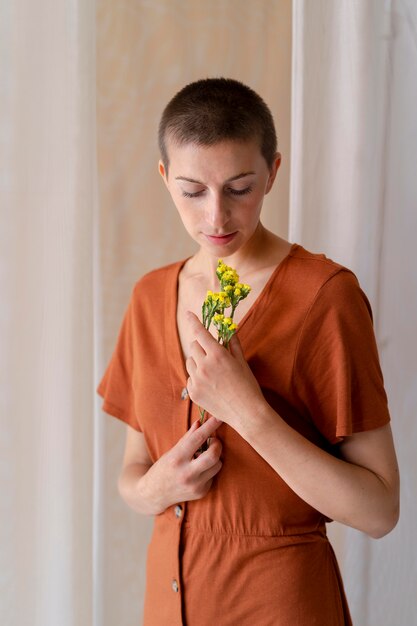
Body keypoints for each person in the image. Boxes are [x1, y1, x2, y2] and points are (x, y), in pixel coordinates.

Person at [96, 77, 400, 626]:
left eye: (239, 188)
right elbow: (131, 474)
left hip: (280, 603)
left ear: (273, 173)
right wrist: (156, 489)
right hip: (168, 604)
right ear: (165, 180)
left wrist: (249, 412)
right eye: (193, 191)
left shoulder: (325, 296)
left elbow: (379, 511)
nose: (216, 217)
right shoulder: (148, 297)